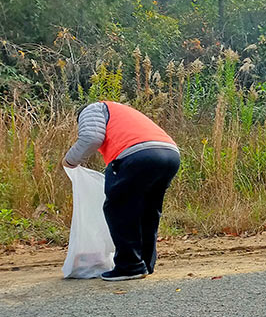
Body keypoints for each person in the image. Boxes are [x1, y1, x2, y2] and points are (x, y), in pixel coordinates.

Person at [63, 101, 180, 281]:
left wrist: (70, 161)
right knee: (148, 210)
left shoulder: (92, 109)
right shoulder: (120, 111)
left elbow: (91, 137)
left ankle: (130, 266)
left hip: (138, 154)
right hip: (170, 154)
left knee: (118, 208)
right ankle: (145, 264)